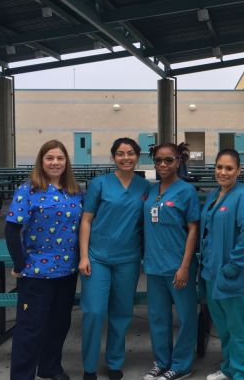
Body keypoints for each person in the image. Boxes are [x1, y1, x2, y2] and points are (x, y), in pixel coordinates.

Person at [4, 140, 82, 380]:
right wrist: (20, 264)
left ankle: (50, 367)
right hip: (36, 273)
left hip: (67, 271)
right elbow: (11, 229)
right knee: (30, 329)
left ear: (66, 162)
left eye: (60, 158)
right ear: (41, 161)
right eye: (50, 158)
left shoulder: (74, 191)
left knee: (59, 324)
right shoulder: (28, 190)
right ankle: (22, 375)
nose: (55, 163)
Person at [79, 138, 150, 380]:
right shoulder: (99, 184)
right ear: (113, 157)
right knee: (94, 312)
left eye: (130, 153)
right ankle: (89, 366)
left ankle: (115, 362)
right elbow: (86, 220)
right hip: (97, 258)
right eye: (120, 154)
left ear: (137, 157)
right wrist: (83, 256)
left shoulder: (144, 187)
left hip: (128, 259)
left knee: (121, 314)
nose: (126, 158)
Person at [200, 149, 244, 380]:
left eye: (228, 168)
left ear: (238, 170)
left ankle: (242, 374)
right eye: (219, 167)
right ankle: (228, 368)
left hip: (236, 277)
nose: (223, 172)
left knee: (240, 330)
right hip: (213, 275)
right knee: (224, 328)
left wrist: (233, 267)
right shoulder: (213, 195)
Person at [143, 143, 199, 380]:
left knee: (186, 317)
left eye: (168, 160)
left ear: (179, 161)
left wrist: (185, 266)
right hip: (154, 266)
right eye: (158, 160)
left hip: (178, 265)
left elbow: (193, 229)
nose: (163, 165)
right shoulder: (151, 190)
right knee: (158, 316)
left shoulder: (186, 191)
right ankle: (162, 361)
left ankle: (181, 364)